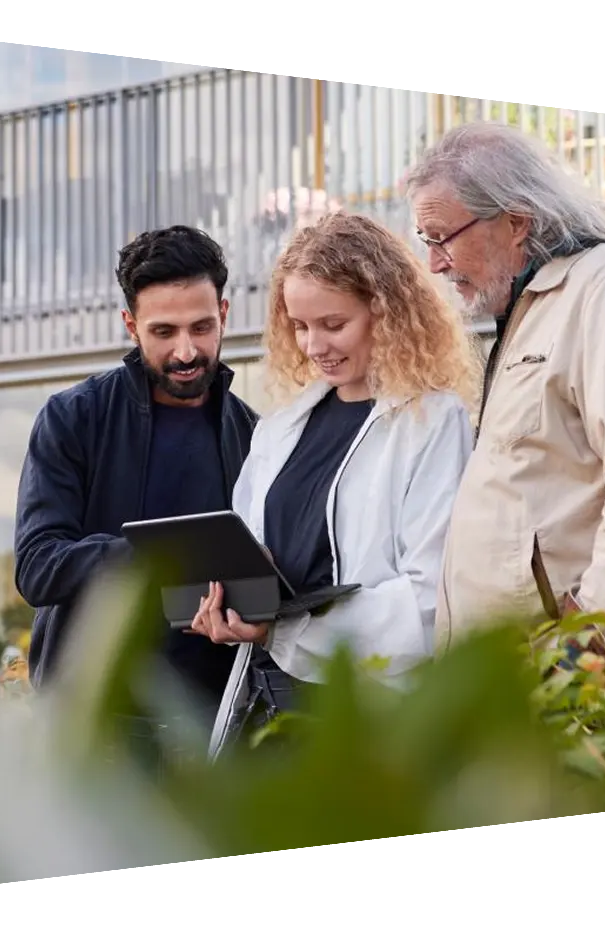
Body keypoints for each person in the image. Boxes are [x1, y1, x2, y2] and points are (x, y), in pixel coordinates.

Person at [188, 212, 481, 758]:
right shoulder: (279, 431)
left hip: (371, 715)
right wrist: (224, 602)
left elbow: (428, 600)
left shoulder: (433, 423)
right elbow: (248, 552)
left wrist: (282, 632)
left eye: (333, 323)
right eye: (300, 326)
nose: (314, 344)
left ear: (383, 311)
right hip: (269, 709)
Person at [405, 122, 605, 650]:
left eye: (441, 238)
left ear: (515, 222)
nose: (434, 263)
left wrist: (589, 638)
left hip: (576, 676)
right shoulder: (528, 303)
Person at [13, 224, 259, 730]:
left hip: (210, 727)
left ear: (224, 315)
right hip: (92, 724)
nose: (187, 352)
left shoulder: (255, 434)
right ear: (131, 325)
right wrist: (164, 554)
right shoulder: (72, 419)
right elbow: (38, 567)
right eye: (164, 332)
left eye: (202, 327)